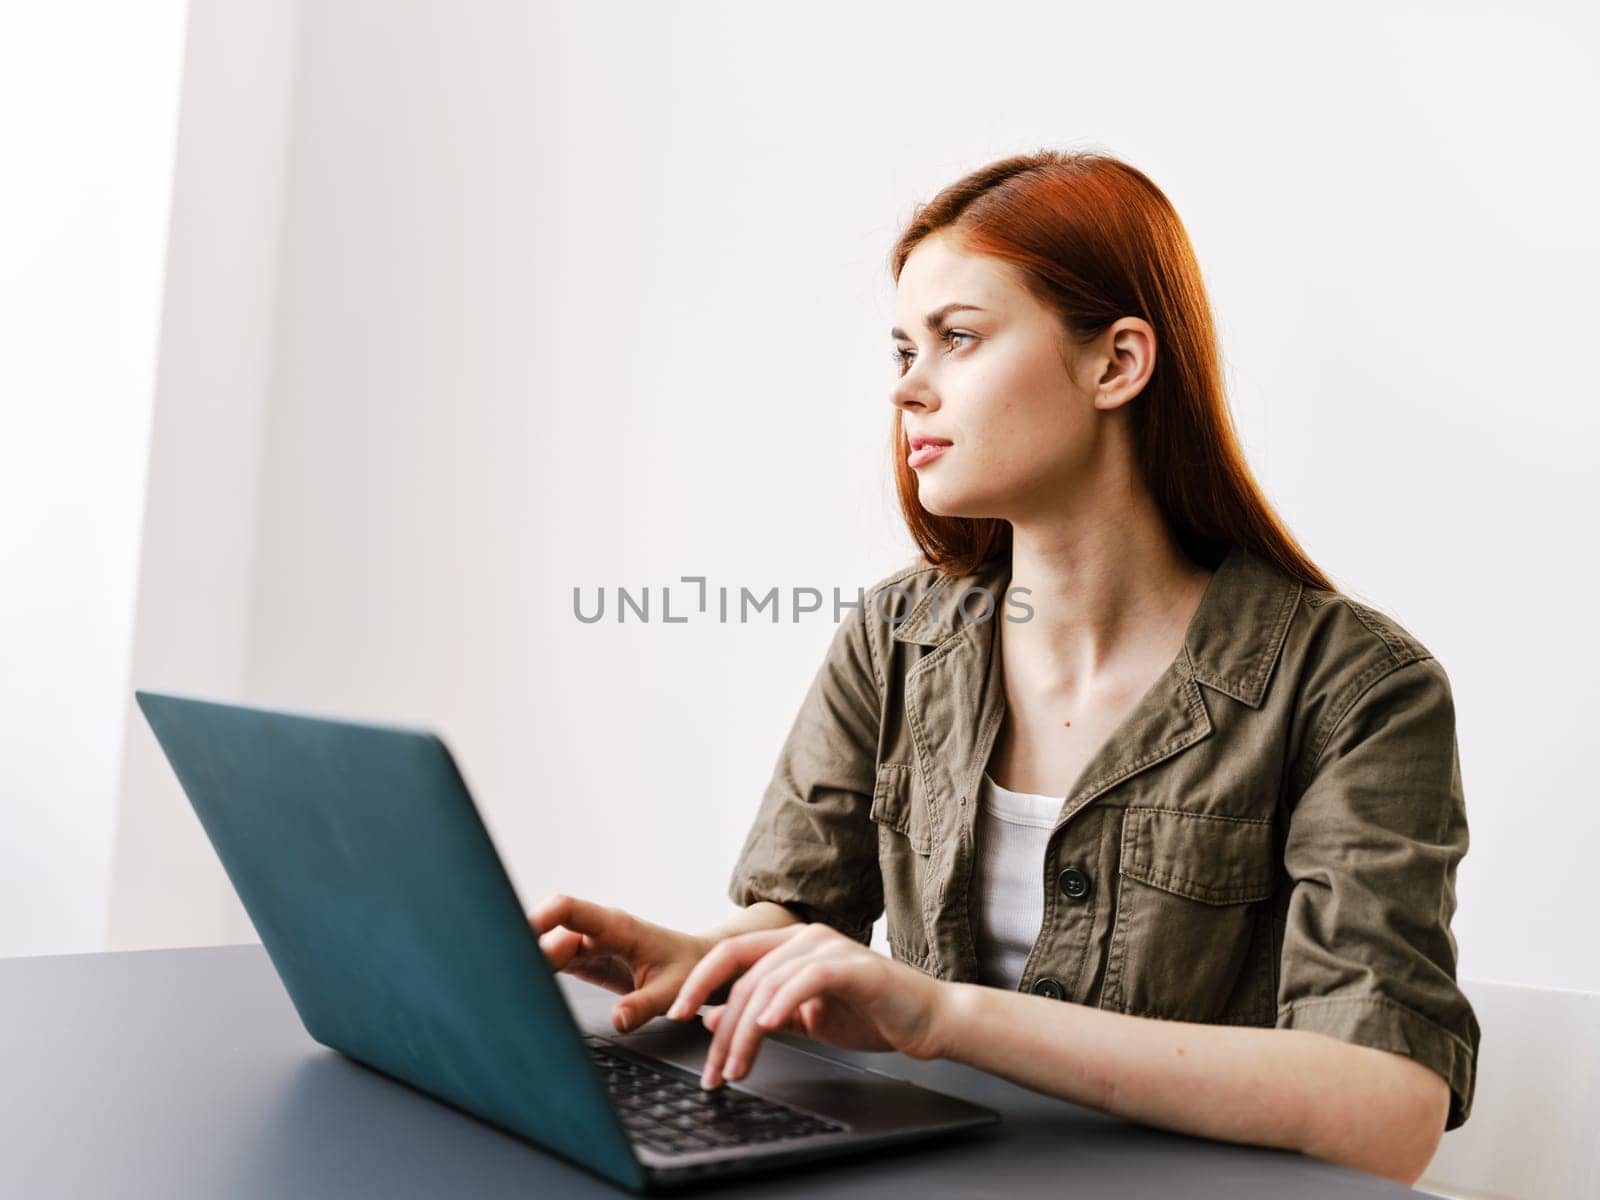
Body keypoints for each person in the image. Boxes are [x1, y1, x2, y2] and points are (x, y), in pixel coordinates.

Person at [529, 148, 1478, 1187]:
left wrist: (944, 1017)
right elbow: (807, 916)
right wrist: (706, 960)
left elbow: (1386, 1107)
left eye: (958, 340)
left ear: (1116, 362)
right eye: (901, 351)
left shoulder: (1355, 690)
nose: (908, 390)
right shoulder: (897, 634)